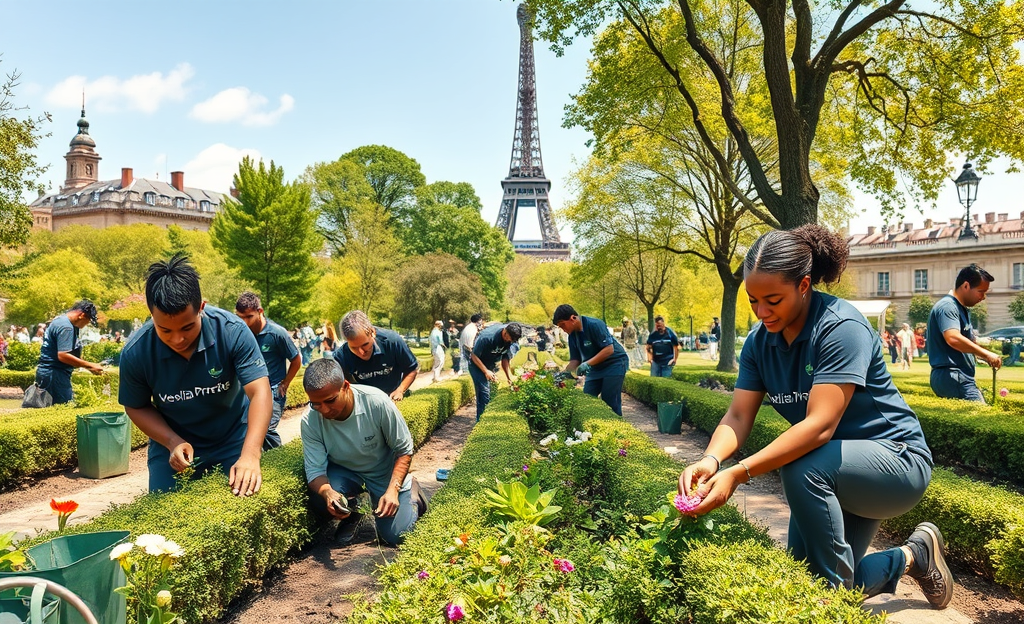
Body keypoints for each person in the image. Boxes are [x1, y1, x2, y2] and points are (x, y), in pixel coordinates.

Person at [679, 225, 951, 609]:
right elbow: (738, 414)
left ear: (804, 285)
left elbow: (819, 426)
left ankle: (832, 611)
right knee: (807, 576)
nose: (761, 312)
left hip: (895, 461)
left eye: (772, 300)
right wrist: (711, 459)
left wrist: (739, 473)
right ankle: (913, 555)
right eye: (753, 300)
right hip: (835, 469)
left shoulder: (841, 327)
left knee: (800, 469)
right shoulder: (760, 343)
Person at [119, 254, 273, 494]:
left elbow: (260, 391)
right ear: (151, 315)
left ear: (201, 307)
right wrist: (171, 441)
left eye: (187, 327)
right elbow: (136, 406)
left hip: (232, 439)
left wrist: (251, 454)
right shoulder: (136, 352)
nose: (177, 339)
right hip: (172, 445)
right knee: (164, 520)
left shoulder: (232, 331)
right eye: (165, 330)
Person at [301, 358, 427, 546]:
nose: (324, 410)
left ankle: (412, 492)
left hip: (383, 474)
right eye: (316, 404)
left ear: (345, 386)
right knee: (318, 501)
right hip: (346, 474)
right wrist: (327, 493)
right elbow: (315, 472)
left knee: (397, 536)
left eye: (330, 400)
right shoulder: (310, 420)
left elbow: (404, 450)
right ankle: (356, 510)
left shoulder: (376, 402)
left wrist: (393, 490)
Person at [235, 291, 302, 450]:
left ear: (260, 311)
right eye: (240, 317)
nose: (244, 322)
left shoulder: (276, 333)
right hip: (250, 390)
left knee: (266, 429)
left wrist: (285, 382)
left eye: (248, 317)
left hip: (272, 389)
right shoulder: (240, 333)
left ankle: (277, 461)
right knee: (245, 430)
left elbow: (296, 360)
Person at [927, 264, 1002, 403]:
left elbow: (967, 340)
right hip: (953, 375)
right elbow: (953, 338)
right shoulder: (948, 306)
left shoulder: (960, 308)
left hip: (955, 376)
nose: (983, 297)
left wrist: (982, 355)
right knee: (981, 418)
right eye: (981, 291)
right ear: (966, 286)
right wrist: (987, 354)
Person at [553, 304, 629, 416]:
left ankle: (618, 428)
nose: (563, 330)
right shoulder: (572, 336)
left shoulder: (595, 325)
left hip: (614, 363)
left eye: (563, 325)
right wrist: (565, 374)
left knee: (609, 400)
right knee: (587, 398)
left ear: (573, 318)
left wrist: (587, 364)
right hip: (595, 367)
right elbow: (575, 360)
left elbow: (609, 349)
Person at [335, 310, 419, 402]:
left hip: (394, 396)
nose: (361, 352)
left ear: (373, 333)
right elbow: (340, 387)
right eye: (354, 348)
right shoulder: (341, 356)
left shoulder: (392, 341)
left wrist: (400, 389)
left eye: (365, 345)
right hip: (367, 402)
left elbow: (412, 369)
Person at [33, 301, 104, 405]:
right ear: (82, 315)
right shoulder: (67, 327)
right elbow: (63, 355)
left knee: (49, 407)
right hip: (55, 373)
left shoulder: (60, 320)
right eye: (87, 321)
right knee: (62, 407)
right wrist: (90, 365)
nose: (86, 325)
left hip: (49, 372)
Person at [470, 322, 522, 420]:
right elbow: (474, 355)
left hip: (490, 362)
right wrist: (485, 371)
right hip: (477, 363)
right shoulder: (487, 337)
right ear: (505, 332)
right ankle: (481, 422)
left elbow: (505, 360)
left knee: (492, 392)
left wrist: (509, 378)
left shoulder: (511, 340)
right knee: (484, 393)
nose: (510, 341)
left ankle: (487, 418)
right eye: (509, 339)